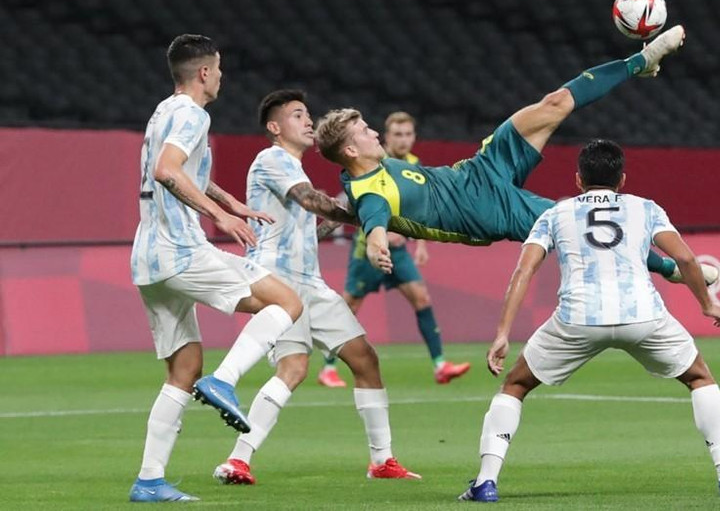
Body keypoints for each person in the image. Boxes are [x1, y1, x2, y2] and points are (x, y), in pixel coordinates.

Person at [458, 139, 720, 503]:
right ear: (623, 179)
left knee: (516, 385)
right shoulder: (644, 208)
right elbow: (687, 260)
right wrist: (707, 304)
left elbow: (524, 270)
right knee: (698, 377)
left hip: (578, 319)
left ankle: (486, 483)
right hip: (642, 315)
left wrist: (503, 333)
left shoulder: (555, 214)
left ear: (578, 180)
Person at [314, 26, 716, 286]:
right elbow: (374, 221)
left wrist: (333, 214)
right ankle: (669, 270)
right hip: (486, 212)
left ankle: (640, 62)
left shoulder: (357, 176)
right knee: (578, 222)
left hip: (477, 170)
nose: (373, 132)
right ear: (351, 149)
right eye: (364, 132)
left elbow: (350, 198)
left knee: (554, 103)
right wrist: (376, 245)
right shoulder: (371, 197)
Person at [212, 89, 420, 485]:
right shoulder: (271, 159)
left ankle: (382, 461)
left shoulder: (293, 167)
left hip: (311, 283)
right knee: (295, 367)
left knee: (365, 359)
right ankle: (238, 460)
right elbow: (312, 202)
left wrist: (355, 216)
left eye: (307, 114)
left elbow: (315, 223)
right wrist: (367, 215)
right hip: (279, 282)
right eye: (296, 115)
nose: (308, 121)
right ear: (275, 127)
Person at [129, 35, 304, 502]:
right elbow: (168, 170)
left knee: (183, 368)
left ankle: (149, 479)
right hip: (181, 248)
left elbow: (186, 171)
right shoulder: (193, 114)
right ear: (205, 72)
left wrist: (231, 204)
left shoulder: (163, 111)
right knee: (286, 301)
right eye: (220, 69)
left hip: (148, 256)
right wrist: (218, 217)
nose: (222, 77)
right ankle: (225, 382)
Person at [318, 111, 470, 388]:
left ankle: (440, 365)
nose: (403, 140)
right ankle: (327, 368)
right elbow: (365, 203)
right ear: (386, 137)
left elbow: (421, 206)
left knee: (421, 299)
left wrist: (421, 244)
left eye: (408, 134)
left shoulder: (413, 164)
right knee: (349, 307)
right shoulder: (371, 160)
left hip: (399, 253)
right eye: (397, 134)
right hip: (368, 250)